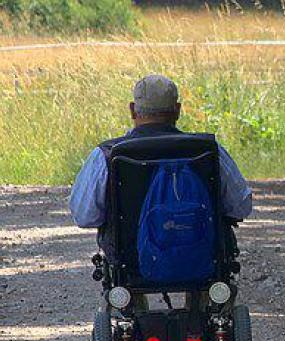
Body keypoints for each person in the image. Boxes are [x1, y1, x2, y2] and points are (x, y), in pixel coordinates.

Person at [69, 74, 253, 309]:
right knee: (212, 293)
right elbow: (241, 205)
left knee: (124, 298)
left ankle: (133, 331)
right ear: (177, 110)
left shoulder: (107, 154)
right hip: (203, 258)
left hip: (132, 262)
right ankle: (200, 324)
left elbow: (85, 216)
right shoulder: (208, 151)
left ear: (133, 110)